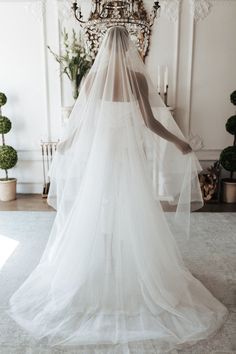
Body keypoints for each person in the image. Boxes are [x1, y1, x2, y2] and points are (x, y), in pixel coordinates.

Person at [6, 26, 228, 353]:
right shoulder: (138, 80)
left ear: (104, 49)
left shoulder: (92, 80)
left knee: (96, 210)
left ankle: (98, 266)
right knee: (133, 210)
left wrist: (65, 145)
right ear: (129, 48)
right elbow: (151, 124)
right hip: (127, 158)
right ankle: (133, 269)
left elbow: (81, 123)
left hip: (100, 158)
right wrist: (179, 141)